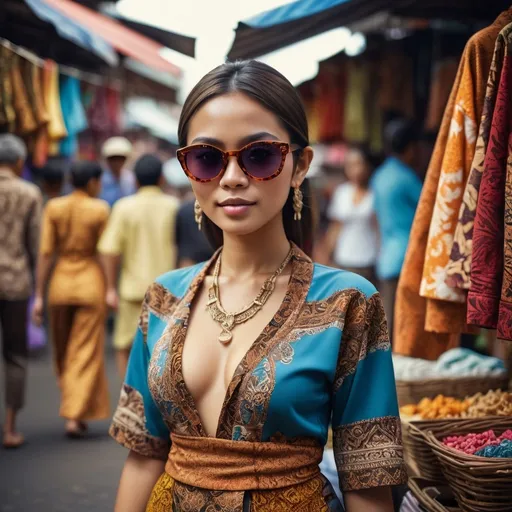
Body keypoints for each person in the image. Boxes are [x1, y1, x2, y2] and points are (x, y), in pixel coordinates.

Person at [110, 60, 407, 512]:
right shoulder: (163, 300)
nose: (232, 178)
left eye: (259, 155)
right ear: (188, 170)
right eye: (208, 157)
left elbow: (367, 479)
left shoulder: (348, 303)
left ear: (300, 164)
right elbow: (144, 457)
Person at [32, 161, 110, 438]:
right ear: (91, 182)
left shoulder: (54, 207)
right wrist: (111, 287)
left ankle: (75, 409)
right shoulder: (99, 208)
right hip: (90, 283)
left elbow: (45, 253)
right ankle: (75, 414)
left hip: (60, 284)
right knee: (85, 352)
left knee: (64, 353)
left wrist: (38, 295)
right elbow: (103, 253)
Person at [98, 154, 179, 379]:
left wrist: (110, 288)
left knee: (124, 345)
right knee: (163, 348)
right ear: (162, 179)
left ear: (135, 180)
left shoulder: (124, 207)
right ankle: (158, 401)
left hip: (132, 291)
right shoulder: (174, 207)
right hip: (169, 292)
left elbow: (109, 249)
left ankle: (131, 399)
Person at [0, 135, 42, 448]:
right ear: (18, 162)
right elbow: (35, 246)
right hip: (15, 283)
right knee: (15, 356)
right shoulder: (28, 193)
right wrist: (40, 290)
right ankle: (10, 427)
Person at [371, 119, 423, 339]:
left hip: (387, 256)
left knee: (389, 318)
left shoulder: (379, 176)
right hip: (408, 256)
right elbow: (428, 209)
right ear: (410, 148)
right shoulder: (406, 178)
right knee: (407, 320)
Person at [320, 144, 379, 283]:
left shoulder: (375, 194)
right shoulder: (342, 193)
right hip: (344, 259)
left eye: (358, 164)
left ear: (367, 166)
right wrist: (325, 256)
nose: (355, 170)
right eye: (350, 165)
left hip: (368, 261)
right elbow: (335, 227)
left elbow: (379, 229)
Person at [99, 136, 135, 207]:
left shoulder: (131, 179)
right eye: (113, 159)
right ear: (107, 160)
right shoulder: (100, 180)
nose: (117, 162)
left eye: (120, 158)